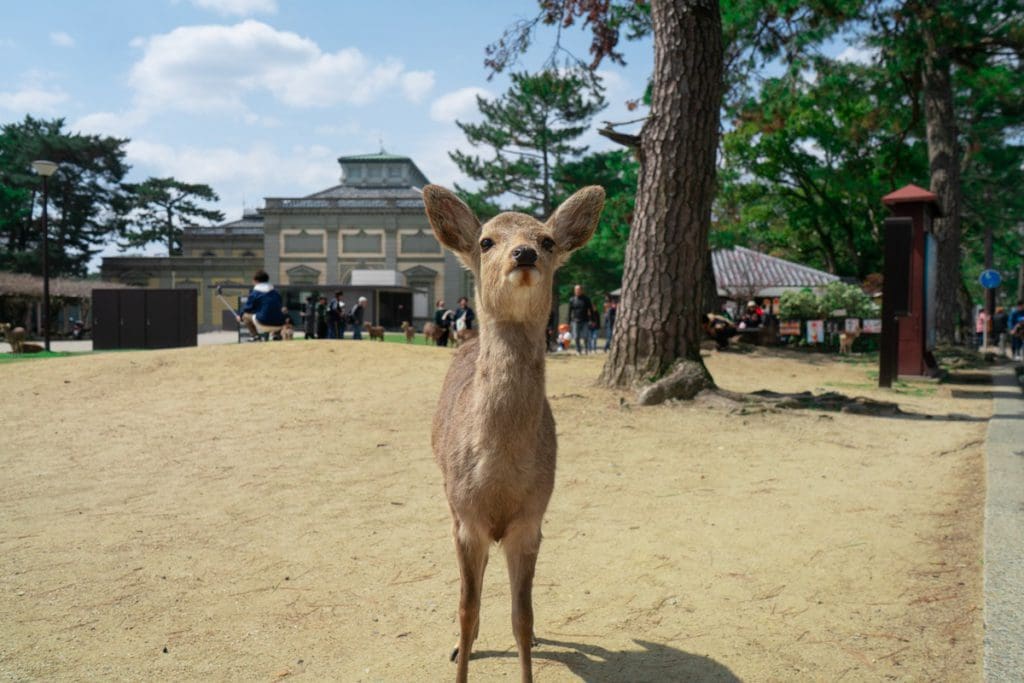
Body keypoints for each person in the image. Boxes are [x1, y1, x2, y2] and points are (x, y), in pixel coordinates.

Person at [237, 270, 287, 341]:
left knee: (245, 316)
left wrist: (240, 316)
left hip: (263, 323)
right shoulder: (276, 293)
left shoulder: (255, 293)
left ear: (256, 281)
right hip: (279, 324)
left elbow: (247, 308)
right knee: (278, 312)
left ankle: (255, 336)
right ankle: (276, 335)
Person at [568, 284, 593, 355]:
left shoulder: (586, 299)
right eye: (575, 290)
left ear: (582, 290)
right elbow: (569, 312)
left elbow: (591, 310)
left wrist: (592, 320)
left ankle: (586, 349)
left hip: (585, 320)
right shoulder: (572, 300)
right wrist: (568, 322)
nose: (577, 291)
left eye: (578, 290)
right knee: (576, 337)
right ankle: (578, 350)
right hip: (575, 321)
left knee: (585, 336)